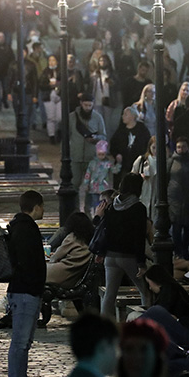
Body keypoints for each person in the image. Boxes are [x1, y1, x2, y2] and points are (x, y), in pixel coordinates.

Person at [5, 190, 48, 377]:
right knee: (20, 343)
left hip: (27, 291)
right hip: (25, 292)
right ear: (36, 207)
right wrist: (35, 284)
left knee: (25, 343)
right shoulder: (25, 229)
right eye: (42, 206)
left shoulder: (21, 227)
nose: (44, 210)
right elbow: (27, 262)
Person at [100, 173, 151, 317]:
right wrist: (141, 263)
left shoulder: (112, 206)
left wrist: (103, 252)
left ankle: (105, 327)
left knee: (109, 293)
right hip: (129, 256)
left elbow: (107, 231)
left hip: (111, 256)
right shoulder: (138, 208)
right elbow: (138, 237)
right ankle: (145, 321)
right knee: (145, 290)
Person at [70, 93, 107, 202]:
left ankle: (88, 210)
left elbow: (103, 136)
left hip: (91, 158)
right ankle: (75, 208)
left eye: (90, 105)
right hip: (76, 156)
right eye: (85, 105)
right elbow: (66, 136)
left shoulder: (97, 117)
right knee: (74, 183)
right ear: (81, 103)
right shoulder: (72, 117)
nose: (87, 108)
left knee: (91, 186)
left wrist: (95, 138)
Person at [46, 211, 94, 288]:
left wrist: (53, 257)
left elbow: (54, 258)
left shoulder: (72, 238)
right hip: (73, 278)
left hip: (59, 274)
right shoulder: (89, 242)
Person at [78, 140, 120, 214]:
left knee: (103, 204)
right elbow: (88, 174)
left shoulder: (108, 163)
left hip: (104, 188)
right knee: (95, 204)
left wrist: (119, 163)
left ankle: (102, 216)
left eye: (102, 154)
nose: (101, 156)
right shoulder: (92, 163)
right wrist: (86, 184)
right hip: (93, 188)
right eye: (99, 154)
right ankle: (97, 216)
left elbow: (115, 170)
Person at [131, 136, 157, 218]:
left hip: (156, 193)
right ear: (149, 147)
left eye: (158, 148)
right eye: (153, 147)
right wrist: (139, 176)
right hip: (143, 191)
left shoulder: (165, 161)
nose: (155, 150)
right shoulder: (142, 159)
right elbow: (132, 176)